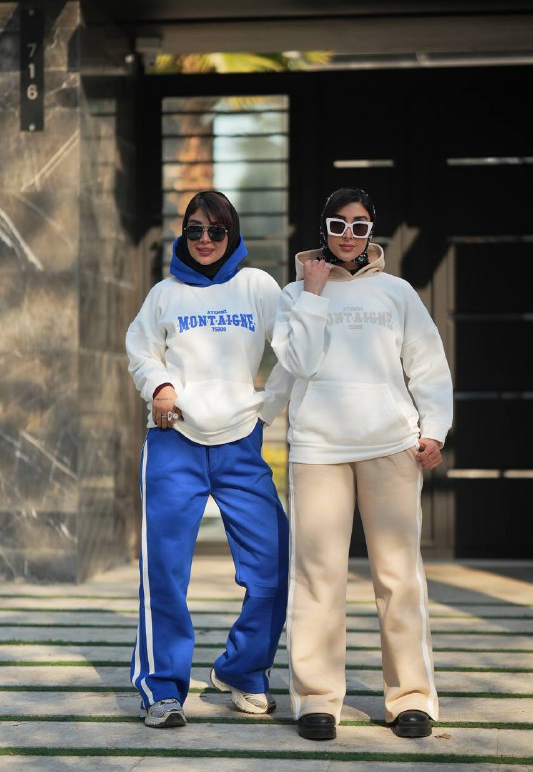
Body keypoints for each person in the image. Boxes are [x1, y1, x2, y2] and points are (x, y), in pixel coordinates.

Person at [271, 186, 453, 742]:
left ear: (371, 231)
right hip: (319, 450)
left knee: (398, 576)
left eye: (359, 226)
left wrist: (433, 430)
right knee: (318, 576)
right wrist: (313, 295)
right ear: (323, 228)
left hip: (389, 446)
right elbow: (299, 363)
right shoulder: (294, 293)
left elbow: (428, 364)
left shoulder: (397, 293)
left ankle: (411, 697)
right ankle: (316, 698)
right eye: (337, 224)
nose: (348, 235)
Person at [125, 190, 292, 729]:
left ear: (232, 234)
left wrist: (268, 407)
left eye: (215, 231)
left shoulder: (258, 287)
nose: (203, 240)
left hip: (241, 442)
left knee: (273, 563)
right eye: (194, 230)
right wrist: (160, 386)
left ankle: (243, 669)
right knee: (165, 572)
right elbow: (140, 349)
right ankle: (161, 688)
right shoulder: (164, 294)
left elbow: (294, 351)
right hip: (173, 441)